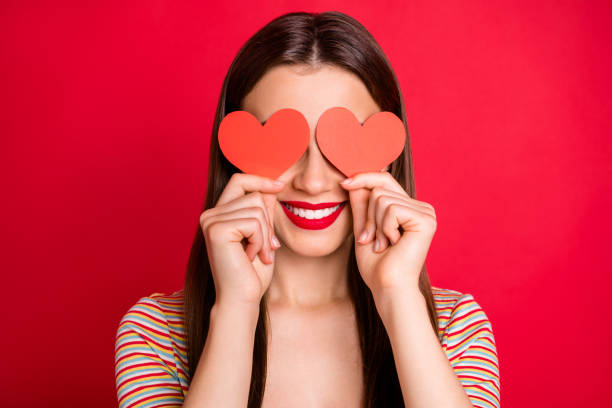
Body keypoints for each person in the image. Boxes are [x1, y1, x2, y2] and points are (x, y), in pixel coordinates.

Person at [114, 11, 500, 408]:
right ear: (235, 158)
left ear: (386, 158)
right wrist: (237, 308)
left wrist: (398, 296)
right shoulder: (157, 332)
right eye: (285, 144)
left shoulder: (454, 326)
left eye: (342, 145)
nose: (313, 182)